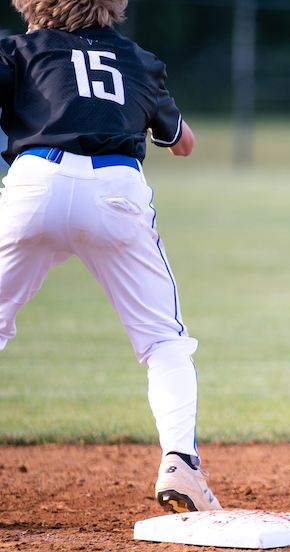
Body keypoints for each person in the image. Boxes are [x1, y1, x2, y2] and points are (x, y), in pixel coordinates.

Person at [0, 0, 221, 512]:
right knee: (163, 341)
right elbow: (182, 143)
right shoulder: (137, 59)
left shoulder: (19, 49)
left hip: (35, 181)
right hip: (116, 190)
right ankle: (180, 464)